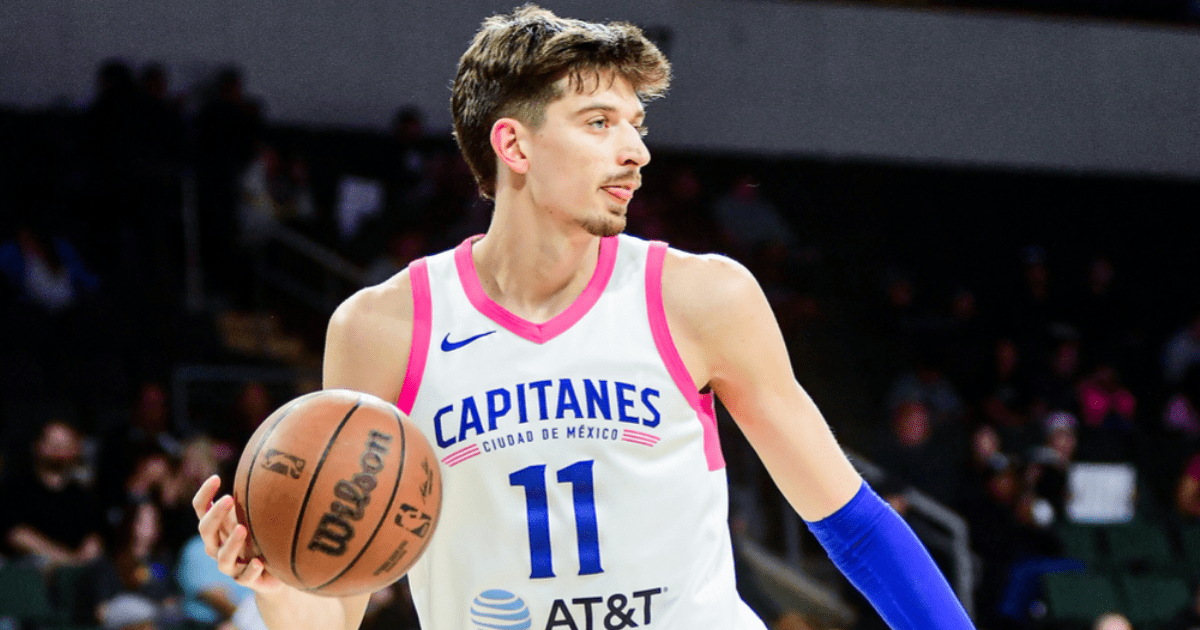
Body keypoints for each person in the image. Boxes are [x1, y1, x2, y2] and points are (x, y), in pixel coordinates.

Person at [193, 6, 973, 630]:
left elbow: (853, 524)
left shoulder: (700, 297)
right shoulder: (380, 327)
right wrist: (278, 584)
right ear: (514, 144)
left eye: (637, 125)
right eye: (600, 122)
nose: (635, 151)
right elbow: (336, 606)